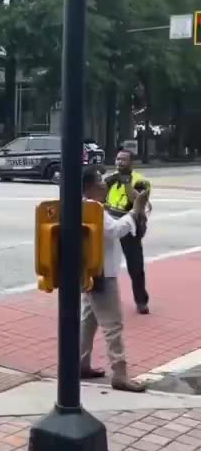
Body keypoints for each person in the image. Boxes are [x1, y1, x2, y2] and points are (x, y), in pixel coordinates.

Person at [80, 166, 149, 393]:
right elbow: (114, 231)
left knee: (88, 321)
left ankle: (79, 365)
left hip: (87, 270)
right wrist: (135, 210)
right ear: (89, 187)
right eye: (99, 181)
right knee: (113, 326)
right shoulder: (93, 209)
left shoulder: (81, 205)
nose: (104, 185)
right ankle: (120, 374)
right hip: (102, 273)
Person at [105, 149, 150, 314]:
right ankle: (104, 300)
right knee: (105, 264)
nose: (119, 162)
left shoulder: (141, 181)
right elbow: (101, 198)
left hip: (130, 225)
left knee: (135, 266)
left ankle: (141, 301)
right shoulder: (111, 179)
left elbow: (136, 201)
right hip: (111, 222)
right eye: (117, 159)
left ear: (132, 162)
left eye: (123, 160)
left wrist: (126, 183)